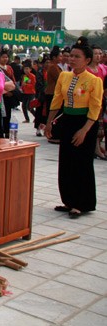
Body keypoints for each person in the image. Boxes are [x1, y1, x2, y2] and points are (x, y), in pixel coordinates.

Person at [45, 37, 103, 219]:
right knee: (66, 161)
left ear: (87, 60)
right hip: (68, 121)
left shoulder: (94, 81)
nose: (72, 59)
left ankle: (81, 203)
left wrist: (84, 130)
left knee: (81, 163)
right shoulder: (64, 76)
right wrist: (48, 122)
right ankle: (68, 200)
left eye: (77, 56)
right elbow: (57, 100)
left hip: (85, 123)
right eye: (71, 56)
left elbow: (95, 108)